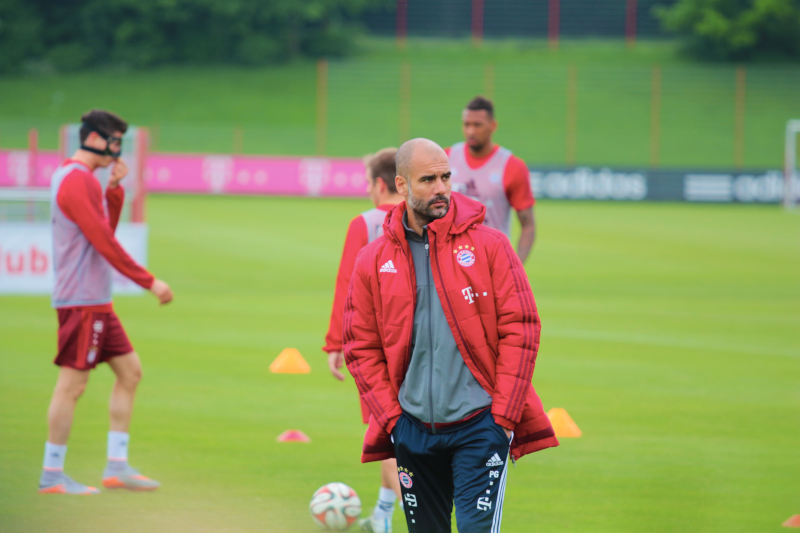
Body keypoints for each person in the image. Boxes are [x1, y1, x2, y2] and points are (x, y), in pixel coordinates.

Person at [343, 138, 558, 532]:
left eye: (446, 177)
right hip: (411, 429)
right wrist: (393, 421)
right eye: (428, 179)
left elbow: (521, 327)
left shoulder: (491, 245)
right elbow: (360, 345)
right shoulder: (373, 259)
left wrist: (504, 417)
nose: (441, 187)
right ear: (402, 186)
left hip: (480, 425)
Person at [39, 110, 173, 495]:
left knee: (130, 372)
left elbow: (102, 230)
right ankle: (52, 473)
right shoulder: (74, 181)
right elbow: (104, 242)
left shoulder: (85, 181)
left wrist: (114, 191)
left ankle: (117, 466)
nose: (118, 149)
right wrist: (150, 282)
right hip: (81, 301)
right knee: (72, 385)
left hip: (96, 300)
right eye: (114, 140)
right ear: (95, 140)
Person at [323, 148, 404, 532]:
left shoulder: (365, 222)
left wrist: (335, 343)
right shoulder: (422, 219)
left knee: (384, 431)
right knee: (404, 429)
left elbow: (347, 287)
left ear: (379, 184)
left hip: (373, 348)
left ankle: (408, 513)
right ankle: (383, 516)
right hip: (418, 345)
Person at [448, 96, 536, 263]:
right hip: (451, 262)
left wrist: (516, 265)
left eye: (477, 125)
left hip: (492, 262)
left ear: (493, 126)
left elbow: (528, 225)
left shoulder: (511, 166)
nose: (471, 131)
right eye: (467, 125)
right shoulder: (446, 158)